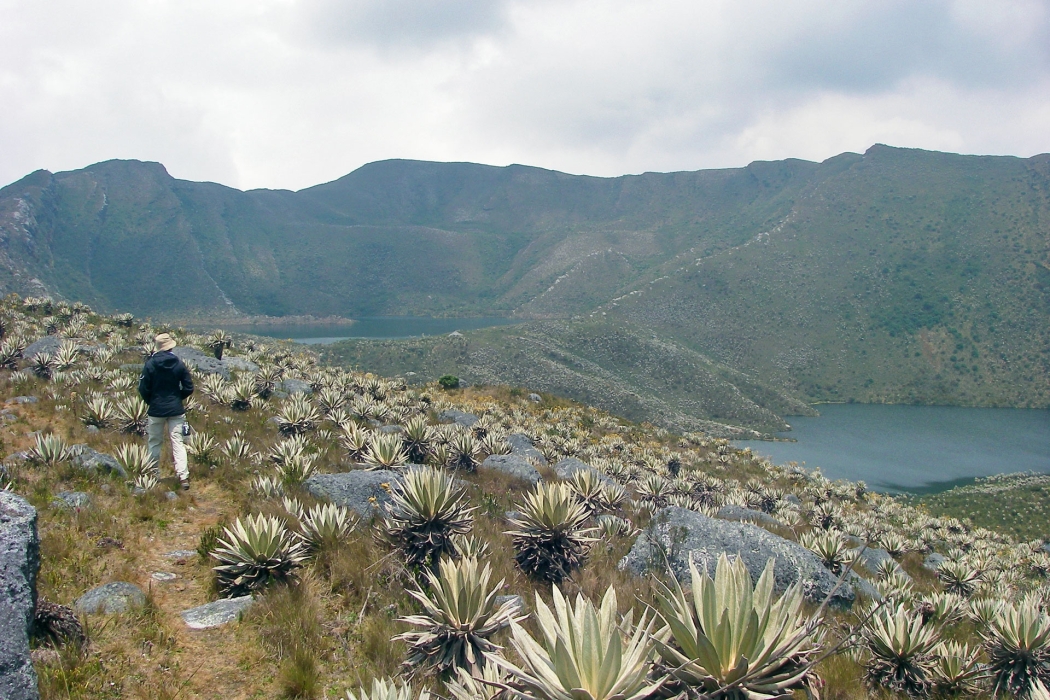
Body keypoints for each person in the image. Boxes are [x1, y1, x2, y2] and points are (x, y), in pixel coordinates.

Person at [138, 333, 195, 490]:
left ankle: (153, 474)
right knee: (178, 442)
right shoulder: (178, 364)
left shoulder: (150, 364)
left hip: (156, 410)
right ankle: (183, 477)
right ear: (171, 346)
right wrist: (177, 398)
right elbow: (189, 387)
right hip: (175, 410)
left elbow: (143, 388)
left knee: (154, 442)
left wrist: (152, 401)